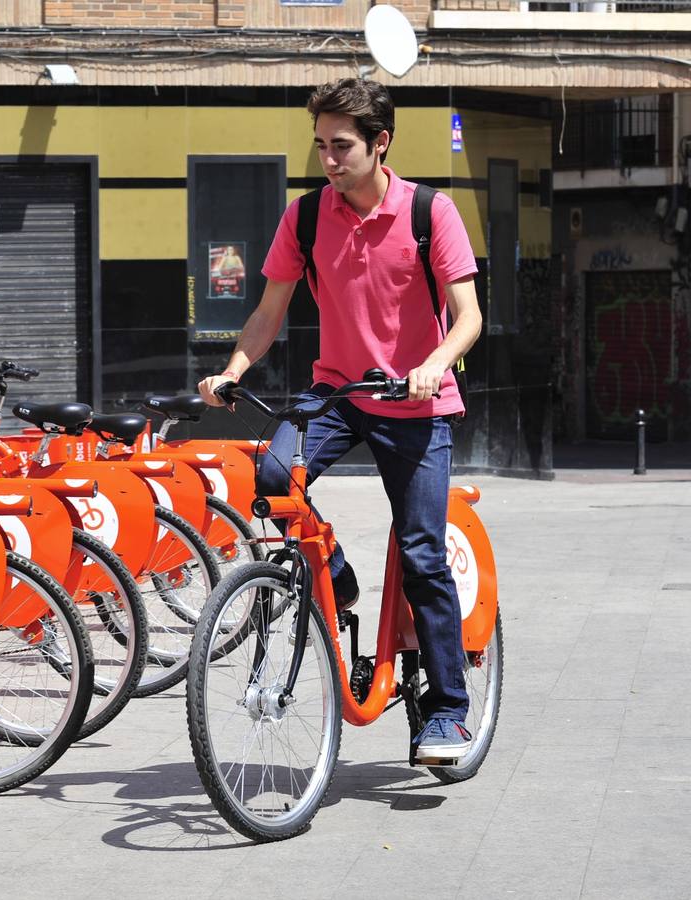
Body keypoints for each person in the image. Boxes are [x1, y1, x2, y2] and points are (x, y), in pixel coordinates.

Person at [196, 78, 484, 762]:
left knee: (420, 555)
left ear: (380, 143)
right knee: (269, 475)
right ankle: (341, 577)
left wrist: (434, 361)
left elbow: (468, 315)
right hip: (337, 393)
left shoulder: (428, 212)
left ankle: (445, 711)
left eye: (343, 145)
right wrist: (233, 370)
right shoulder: (303, 217)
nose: (328, 158)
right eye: (320, 144)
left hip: (413, 404)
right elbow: (267, 313)